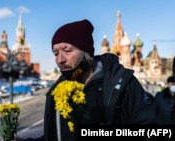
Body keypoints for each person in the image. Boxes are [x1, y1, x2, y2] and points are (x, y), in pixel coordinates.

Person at [17, 19, 155, 141]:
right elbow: (54, 137)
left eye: (67, 50)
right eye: (56, 53)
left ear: (86, 52)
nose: (60, 60)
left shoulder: (121, 83)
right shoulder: (57, 92)